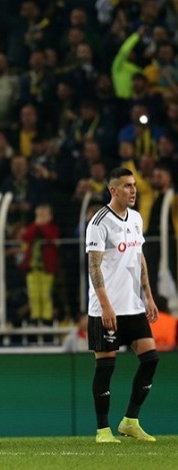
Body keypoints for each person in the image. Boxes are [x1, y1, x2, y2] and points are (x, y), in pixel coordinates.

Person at [85, 167, 160, 443]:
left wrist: (148, 295)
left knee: (151, 359)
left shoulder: (137, 218)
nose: (133, 190)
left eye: (134, 185)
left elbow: (139, 258)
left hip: (133, 306)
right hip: (106, 308)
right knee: (105, 367)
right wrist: (105, 306)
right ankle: (103, 430)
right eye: (127, 186)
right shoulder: (99, 222)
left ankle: (130, 421)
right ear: (113, 190)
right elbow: (94, 267)